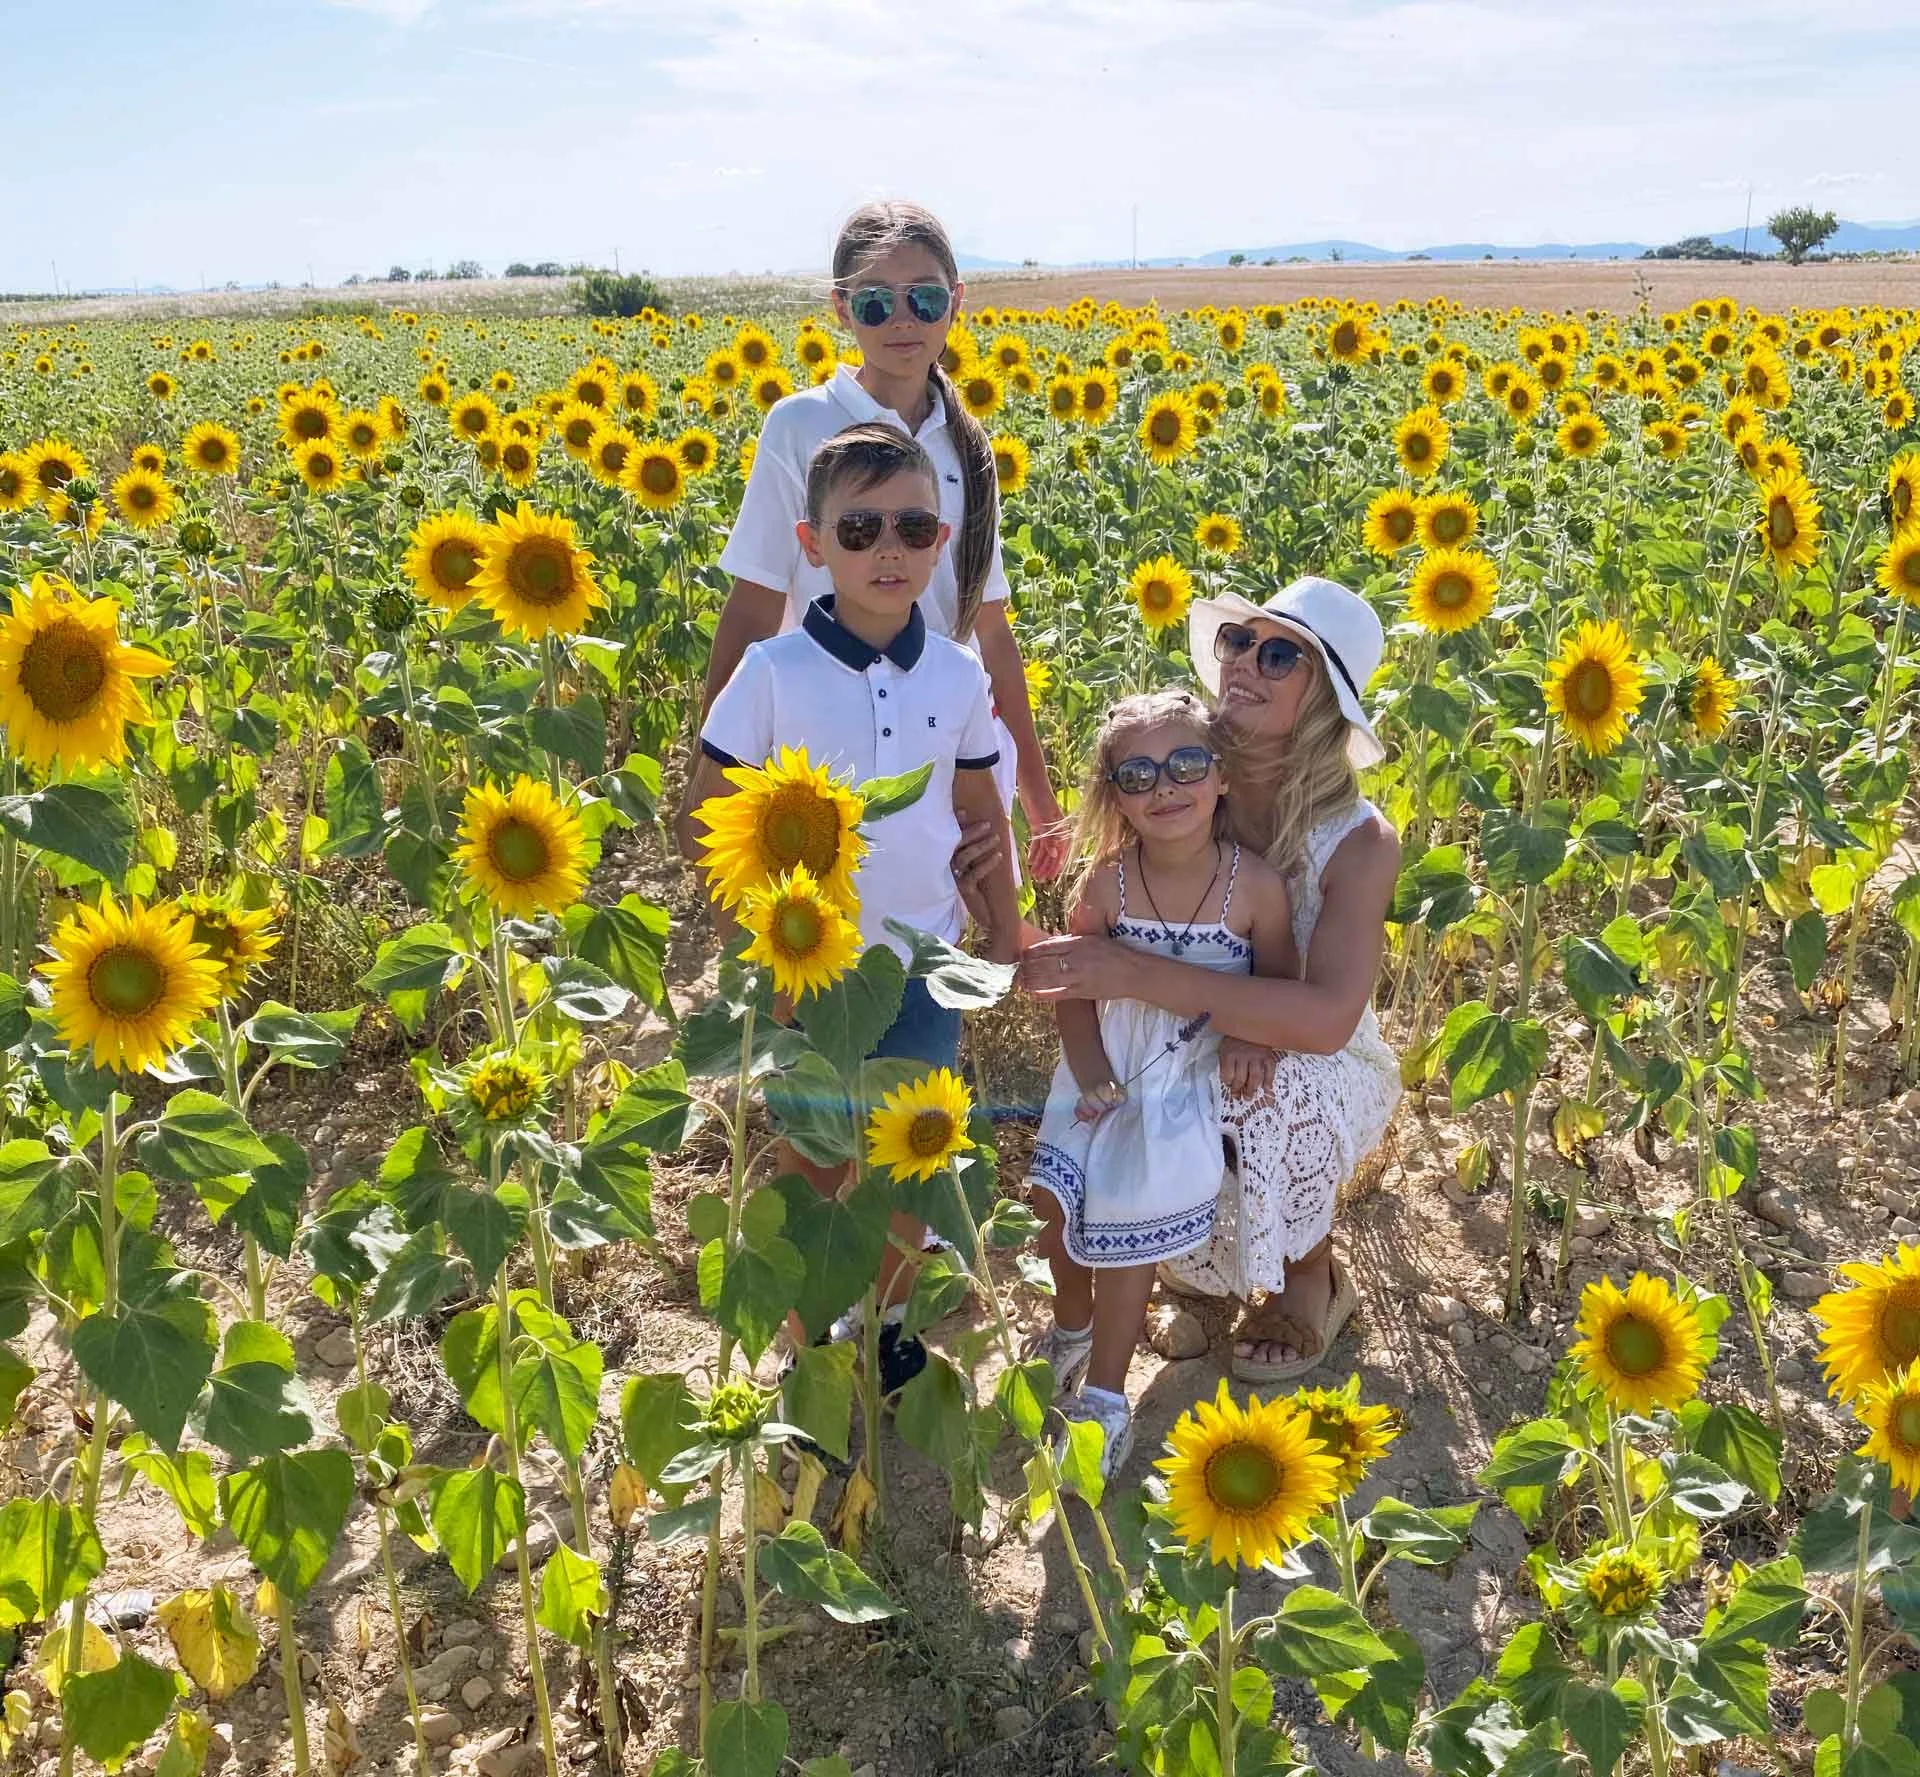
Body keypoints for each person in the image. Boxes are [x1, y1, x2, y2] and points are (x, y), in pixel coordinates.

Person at [686, 420, 1020, 1392]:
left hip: (917, 960)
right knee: (813, 1152)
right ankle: (811, 1335)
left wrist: (1000, 921)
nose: (888, 549)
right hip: (805, 966)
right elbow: (711, 813)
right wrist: (753, 951)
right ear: (812, 544)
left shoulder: (957, 675)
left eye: (913, 528)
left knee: (913, 1146)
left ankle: (887, 1319)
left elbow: (974, 805)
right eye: (861, 527)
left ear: (942, 541)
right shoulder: (775, 669)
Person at [1009, 577, 1402, 1384]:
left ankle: (1309, 1279)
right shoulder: (1186, 781)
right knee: (1143, 1104)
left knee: (1261, 1094)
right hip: (1173, 1025)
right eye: (1237, 642)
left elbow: (1326, 1018)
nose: (1245, 663)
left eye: (1280, 653)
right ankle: (1171, 1257)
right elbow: (1103, 893)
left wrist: (1134, 973)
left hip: (1307, 1048)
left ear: (1325, 699)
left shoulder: (1358, 839)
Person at [675, 199, 1067, 881]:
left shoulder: (970, 447)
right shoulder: (801, 425)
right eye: (877, 303)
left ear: (956, 301)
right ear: (841, 308)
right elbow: (752, 606)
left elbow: (992, 631)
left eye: (924, 297)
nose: (904, 320)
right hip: (824, 737)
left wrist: (1039, 799)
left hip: (949, 740)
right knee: (823, 949)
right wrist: (713, 773)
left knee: (933, 944)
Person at [1023, 691, 1295, 1474]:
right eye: (1136, 774)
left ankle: (1105, 1399)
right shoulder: (1107, 886)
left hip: (1185, 1083)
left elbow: (1280, 984)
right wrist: (1088, 1066)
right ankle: (1069, 1326)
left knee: (1128, 1224)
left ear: (1220, 779)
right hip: (1103, 1066)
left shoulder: (1256, 889)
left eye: (1185, 764)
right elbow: (1069, 986)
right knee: (1054, 1210)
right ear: (1113, 795)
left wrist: (1251, 1037)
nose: (1164, 788)